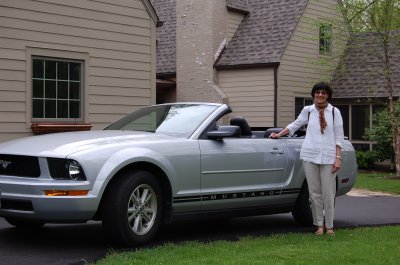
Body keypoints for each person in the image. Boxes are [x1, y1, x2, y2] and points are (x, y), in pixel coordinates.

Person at [270, 81, 344, 236]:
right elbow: (295, 125)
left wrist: (338, 158)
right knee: (314, 193)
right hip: (310, 155)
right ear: (313, 95)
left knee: (328, 193)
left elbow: (339, 136)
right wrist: (279, 134)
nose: (320, 95)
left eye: (323, 93)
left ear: (328, 95)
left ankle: (329, 226)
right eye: (317, 92)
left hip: (329, 156)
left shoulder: (334, 112)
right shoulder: (308, 110)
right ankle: (318, 226)